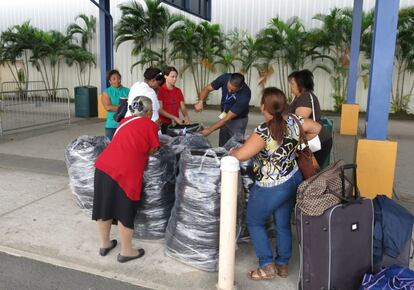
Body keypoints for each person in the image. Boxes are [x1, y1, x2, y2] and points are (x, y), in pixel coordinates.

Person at [229, 87, 321, 280]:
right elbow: (317, 129)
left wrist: (232, 152)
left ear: (264, 106)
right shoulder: (296, 121)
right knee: (282, 223)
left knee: (254, 221)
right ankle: (282, 264)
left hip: (271, 186)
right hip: (293, 179)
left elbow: (243, 154)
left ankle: (266, 265)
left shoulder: (263, 130)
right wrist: (295, 146)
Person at [92, 96, 159, 263]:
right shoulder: (150, 124)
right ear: (149, 112)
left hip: (103, 166)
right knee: (125, 210)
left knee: (104, 206)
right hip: (125, 171)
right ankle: (127, 251)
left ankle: (105, 244)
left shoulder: (124, 121)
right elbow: (154, 149)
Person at [287, 69, 333, 167]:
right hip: (313, 139)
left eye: (292, 84)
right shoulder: (298, 97)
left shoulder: (305, 97)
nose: (291, 87)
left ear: (300, 85)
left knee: (309, 172)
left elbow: (298, 123)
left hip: (317, 140)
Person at [195, 73, 251, 147]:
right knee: (223, 144)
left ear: (240, 87)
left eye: (233, 90)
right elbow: (207, 88)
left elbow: (227, 118)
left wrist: (209, 130)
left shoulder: (245, 95)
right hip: (224, 116)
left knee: (235, 146)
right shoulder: (225, 78)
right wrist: (201, 101)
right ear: (228, 80)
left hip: (238, 120)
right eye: (228, 87)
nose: (229, 91)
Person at [157, 66, 190, 134]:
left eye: (176, 77)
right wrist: (174, 117)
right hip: (163, 124)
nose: (175, 79)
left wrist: (186, 116)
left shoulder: (178, 91)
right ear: (165, 76)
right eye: (172, 76)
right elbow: (160, 110)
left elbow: (183, 107)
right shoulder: (160, 91)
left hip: (175, 123)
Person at [101, 70, 130, 140]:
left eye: (119, 78)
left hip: (125, 124)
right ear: (110, 81)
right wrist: (124, 107)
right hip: (112, 125)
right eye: (114, 79)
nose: (117, 80)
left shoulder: (128, 91)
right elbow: (108, 107)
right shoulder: (106, 92)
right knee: (111, 147)